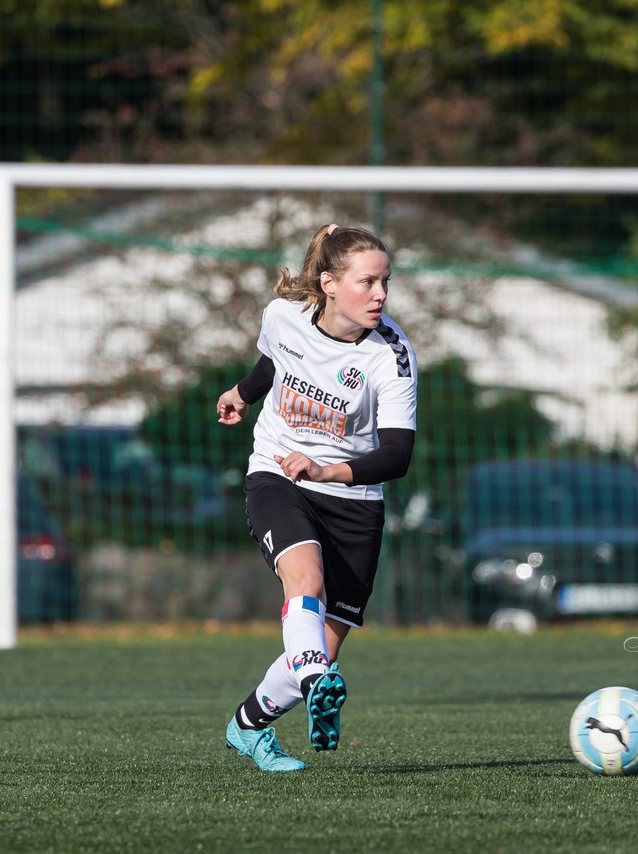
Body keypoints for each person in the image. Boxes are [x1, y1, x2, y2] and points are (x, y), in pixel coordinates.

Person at [215, 223, 418, 772]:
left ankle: (247, 726)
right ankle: (316, 681)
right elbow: (274, 362)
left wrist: (328, 469)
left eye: (385, 283)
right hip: (278, 475)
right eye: (367, 282)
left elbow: (397, 455)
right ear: (328, 283)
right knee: (305, 583)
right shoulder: (282, 316)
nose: (380, 295)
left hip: (353, 498)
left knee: (320, 645)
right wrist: (241, 393)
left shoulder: (391, 355)